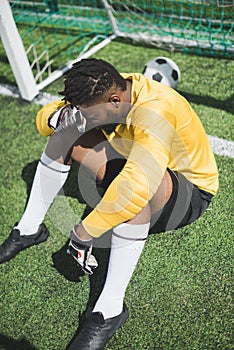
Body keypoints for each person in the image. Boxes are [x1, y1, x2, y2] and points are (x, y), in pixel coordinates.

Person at [0, 58, 218, 349]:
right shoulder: (107, 88)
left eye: (91, 115)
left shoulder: (156, 110)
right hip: (130, 161)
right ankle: (29, 229)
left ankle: (109, 310)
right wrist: (59, 118)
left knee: (137, 194)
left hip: (187, 188)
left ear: (115, 101)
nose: (87, 120)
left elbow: (136, 186)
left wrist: (84, 231)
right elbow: (46, 119)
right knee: (64, 133)